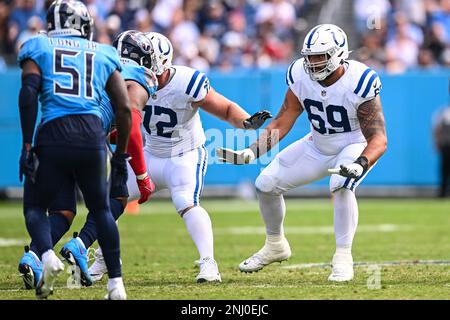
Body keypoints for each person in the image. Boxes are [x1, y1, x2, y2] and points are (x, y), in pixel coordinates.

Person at [88, 31, 272, 283]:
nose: (140, 70)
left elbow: (226, 108)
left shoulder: (186, 81)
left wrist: (247, 123)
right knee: (111, 201)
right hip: (149, 153)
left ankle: (209, 263)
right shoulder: (128, 81)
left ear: (161, 63)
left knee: (186, 202)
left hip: (183, 155)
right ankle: (105, 258)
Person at [217, 24, 388, 282]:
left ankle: (343, 256)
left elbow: (378, 138)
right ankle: (275, 244)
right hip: (317, 144)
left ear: (339, 54)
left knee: (340, 184)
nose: (313, 63)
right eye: (309, 56)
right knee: (265, 184)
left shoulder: (360, 81)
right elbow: (283, 120)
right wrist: (252, 152)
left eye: (320, 56)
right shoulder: (299, 74)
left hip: (354, 144)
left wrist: (361, 163)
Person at [18, 30, 158, 290]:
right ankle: (83, 250)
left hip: (49, 133)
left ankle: (35, 256)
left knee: (61, 210)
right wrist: (140, 174)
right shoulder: (136, 75)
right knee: (114, 200)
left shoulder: (90, 56)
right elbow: (133, 123)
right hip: (87, 136)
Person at [433, 103, 450, 197]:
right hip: (446, 146)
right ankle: (443, 193)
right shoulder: (444, 113)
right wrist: (437, 142)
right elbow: (437, 128)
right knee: (444, 170)